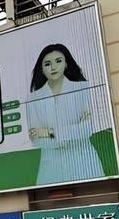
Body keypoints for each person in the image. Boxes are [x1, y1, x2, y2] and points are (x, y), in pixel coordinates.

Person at [26, 43, 104, 185]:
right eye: (47, 64)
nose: (53, 67)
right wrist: (74, 132)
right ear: (42, 69)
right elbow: (37, 139)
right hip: (51, 169)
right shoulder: (34, 99)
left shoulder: (83, 88)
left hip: (84, 164)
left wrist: (50, 132)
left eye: (58, 61)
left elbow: (87, 129)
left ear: (66, 63)